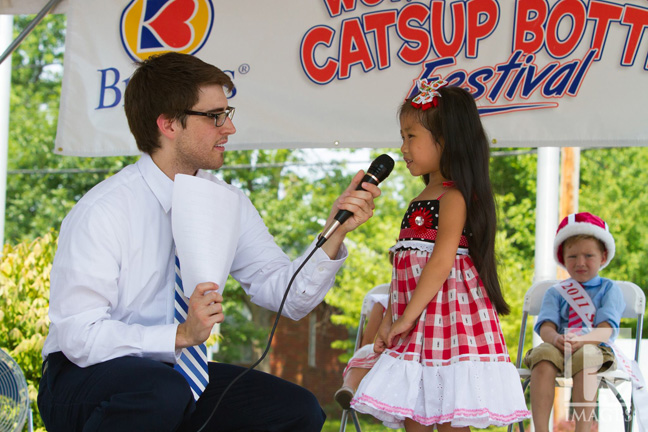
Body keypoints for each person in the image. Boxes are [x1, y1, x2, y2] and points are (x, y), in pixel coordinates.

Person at [37, 52, 381, 432]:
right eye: (215, 116)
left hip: (174, 374)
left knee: (297, 410)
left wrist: (334, 232)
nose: (229, 128)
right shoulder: (103, 210)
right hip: (83, 378)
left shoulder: (227, 203)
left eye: (227, 113)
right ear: (168, 124)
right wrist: (179, 335)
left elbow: (288, 295)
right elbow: (78, 336)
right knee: (161, 392)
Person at [350, 79, 530, 431]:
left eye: (410, 136)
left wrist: (404, 319)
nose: (402, 148)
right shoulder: (419, 199)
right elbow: (402, 271)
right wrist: (390, 318)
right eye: (402, 137)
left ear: (445, 140)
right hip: (414, 328)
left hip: (449, 329)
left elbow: (441, 261)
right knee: (412, 414)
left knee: (450, 414)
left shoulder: (454, 197)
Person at [523, 212, 625, 432]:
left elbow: (606, 331)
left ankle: (582, 429)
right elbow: (547, 326)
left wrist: (583, 341)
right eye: (572, 257)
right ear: (563, 258)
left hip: (594, 349)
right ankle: (540, 428)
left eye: (589, 255)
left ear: (603, 257)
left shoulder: (609, 289)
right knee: (542, 355)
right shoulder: (556, 292)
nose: (580, 263)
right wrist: (556, 338)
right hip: (559, 347)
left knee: (588, 356)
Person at [334, 281, 389, 410]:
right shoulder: (383, 303)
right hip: (383, 352)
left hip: (411, 355)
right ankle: (348, 389)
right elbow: (368, 339)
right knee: (365, 351)